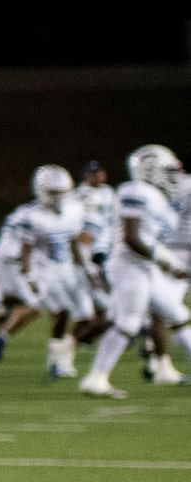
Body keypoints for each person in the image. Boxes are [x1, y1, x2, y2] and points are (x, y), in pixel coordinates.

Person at [76, 145, 189, 396]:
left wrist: (169, 261)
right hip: (128, 266)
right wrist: (167, 260)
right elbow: (131, 237)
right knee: (127, 323)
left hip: (144, 267)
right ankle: (96, 378)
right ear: (151, 170)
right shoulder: (135, 191)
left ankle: (98, 375)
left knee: (177, 313)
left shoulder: (161, 199)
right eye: (168, 171)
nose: (174, 176)